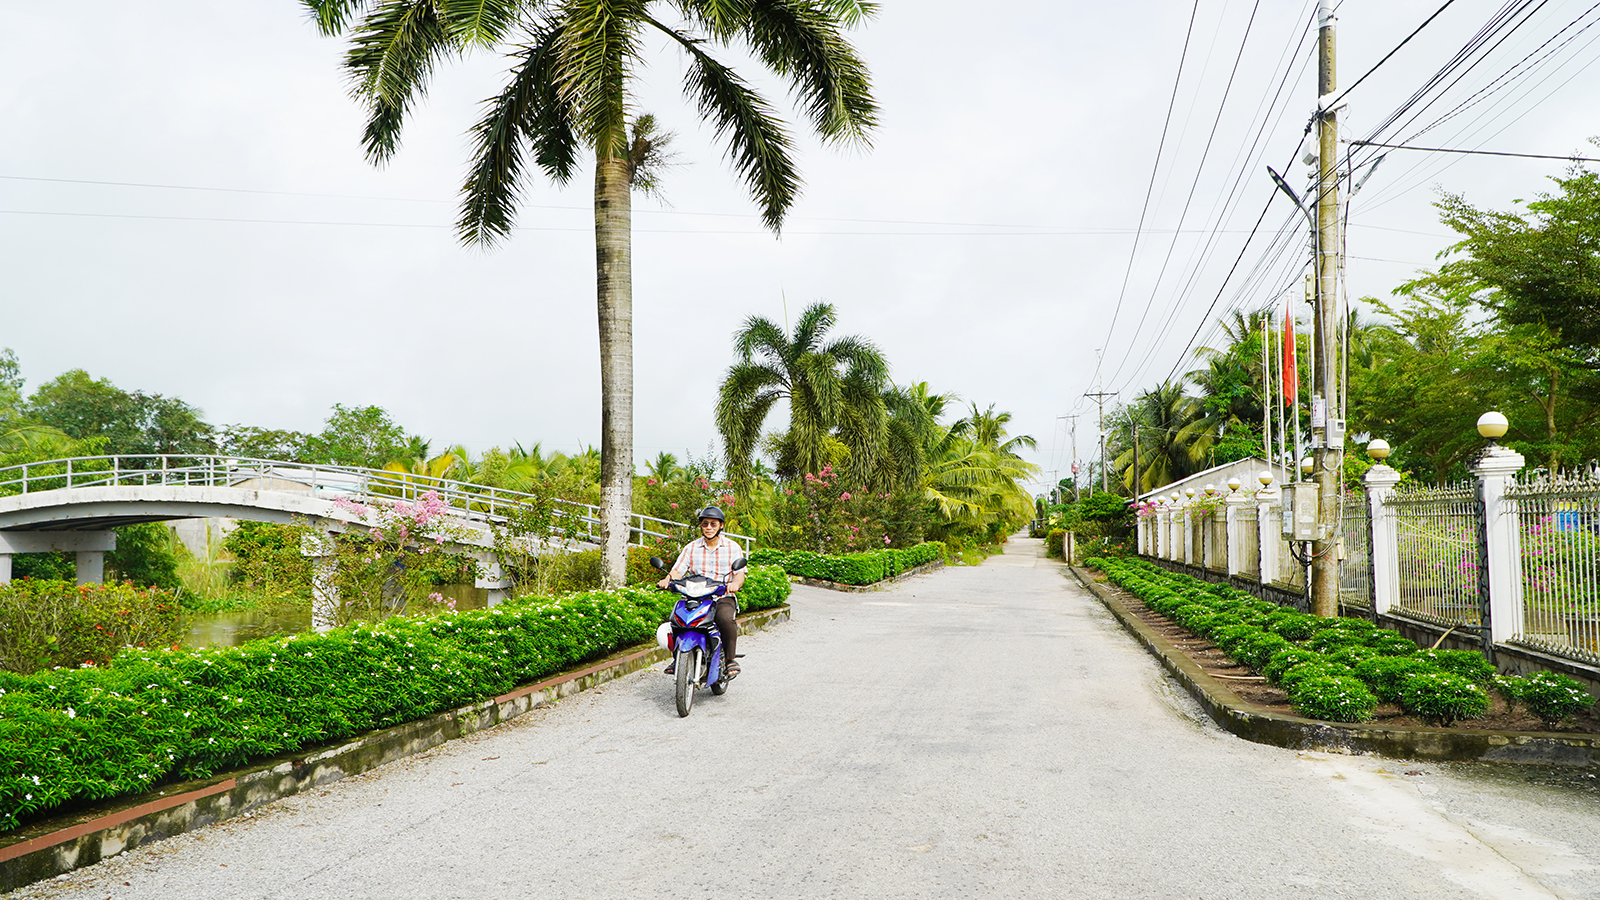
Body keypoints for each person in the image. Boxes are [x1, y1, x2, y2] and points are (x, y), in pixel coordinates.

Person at [659, 506, 746, 678]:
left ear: (721, 525)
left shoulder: (732, 547)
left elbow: (740, 574)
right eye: (705, 523)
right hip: (695, 596)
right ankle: (678, 657)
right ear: (700, 526)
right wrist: (667, 580)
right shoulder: (691, 548)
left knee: (725, 618)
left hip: (722, 595)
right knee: (676, 619)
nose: (709, 527)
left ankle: (730, 659)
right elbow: (678, 570)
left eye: (713, 524)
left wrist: (735, 584)